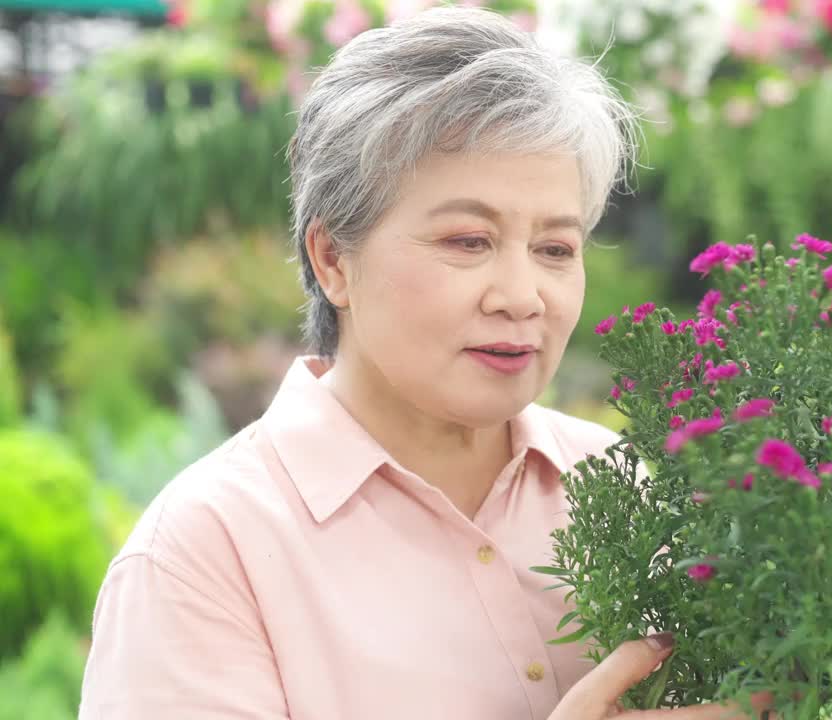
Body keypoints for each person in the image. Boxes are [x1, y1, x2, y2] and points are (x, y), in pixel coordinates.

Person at [78, 7, 771, 720]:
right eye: (468, 241)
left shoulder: (620, 480)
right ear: (332, 259)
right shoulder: (206, 555)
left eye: (556, 249)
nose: (521, 296)